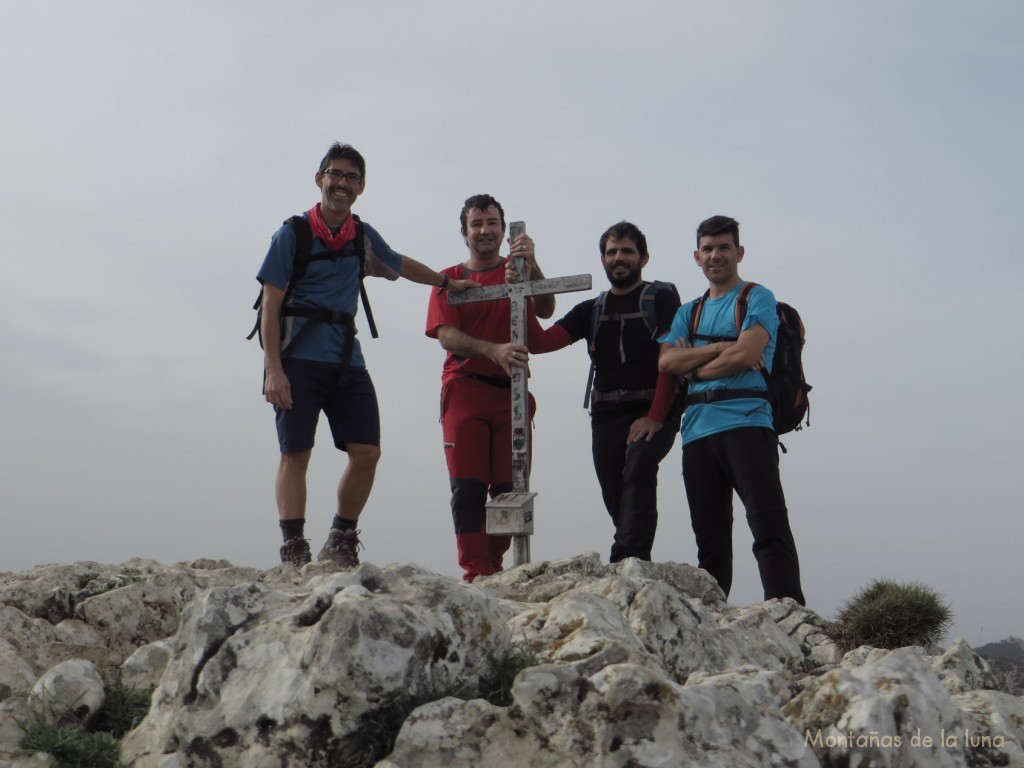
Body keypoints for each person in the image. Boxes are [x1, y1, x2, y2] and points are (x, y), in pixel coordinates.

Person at [257, 142, 476, 569]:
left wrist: (448, 284)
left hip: (345, 359)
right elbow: (270, 303)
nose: (342, 184)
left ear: (361, 187)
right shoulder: (293, 234)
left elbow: (399, 264)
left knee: (367, 451)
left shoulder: (361, 236)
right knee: (295, 453)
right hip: (297, 357)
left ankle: (341, 536)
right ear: (320, 178)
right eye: (335, 174)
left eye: (351, 177)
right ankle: (294, 548)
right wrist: (273, 369)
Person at [510, 221, 684, 562]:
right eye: (611, 252)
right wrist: (524, 292)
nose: (619, 258)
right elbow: (541, 341)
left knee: (638, 468)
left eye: (627, 251)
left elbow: (671, 360)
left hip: (653, 405)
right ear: (602, 259)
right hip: (606, 414)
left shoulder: (662, 297)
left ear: (644, 258)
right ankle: (636, 561)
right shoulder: (593, 309)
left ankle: (626, 558)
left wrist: (655, 417)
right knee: (615, 492)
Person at [658, 215, 805, 604]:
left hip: (747, 423)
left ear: (739, 252)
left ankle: (788, 613)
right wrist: (722, 349)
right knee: (710, 538)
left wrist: (697, 365)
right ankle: (713, 620)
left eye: (724, 247)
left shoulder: (757, 298)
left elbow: (748, 353)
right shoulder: (687, 312)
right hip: (697, 432)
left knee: (767, 524)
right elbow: (667, 364)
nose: (715, 255)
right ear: (696, 256)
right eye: (708, 248)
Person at [424, 194, 557, 582]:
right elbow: (447, 335)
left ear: (503, 228)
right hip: (465, 388)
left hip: (511, 391)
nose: (485, 231)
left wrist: (531, 265)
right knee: (467, 488)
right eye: (477, 224)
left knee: (509, 488)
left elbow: (545, 309)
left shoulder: (515, 272)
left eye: (492, 223)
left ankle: (496, 569)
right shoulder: (446, 278)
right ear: (464, 232)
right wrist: (492, 350)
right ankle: (474, 572)